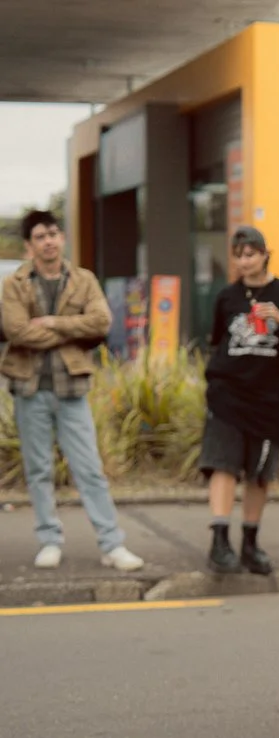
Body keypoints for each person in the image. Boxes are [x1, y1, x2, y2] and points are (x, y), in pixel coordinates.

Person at [0, 210, 144, 572]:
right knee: (39, 469)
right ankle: (49, 539)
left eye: (53, 234)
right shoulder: (15, 283)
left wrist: (53, 322)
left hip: (72, 387)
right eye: (40, 236)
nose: (48, 241)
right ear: (29, 245)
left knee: (89, 469)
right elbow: (17, 330)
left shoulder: (83, 280)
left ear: (62, 238)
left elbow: (101, 321)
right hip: (30, 387)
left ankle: (111, 544)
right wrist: (72, 332)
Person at [200, 225, 279, 574]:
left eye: (250, 254)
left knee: (259, 474)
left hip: (269, 400)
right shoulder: (227, 297)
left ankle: (250, 544)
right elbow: (216, 341)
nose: (243, 261)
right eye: (238, 256)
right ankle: (219, 541)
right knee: (223, 464)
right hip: (227, 394)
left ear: (265, 254)